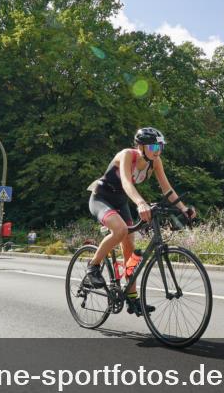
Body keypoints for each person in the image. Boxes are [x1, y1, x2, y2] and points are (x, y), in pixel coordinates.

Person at [82, 127, 196, 316]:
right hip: (101, 198)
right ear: (141, 146)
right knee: (120, 230)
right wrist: (141, 203)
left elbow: (166, 189)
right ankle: (93, 266)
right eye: (153, 146)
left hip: (120, 201)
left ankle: (132, 297)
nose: (157, 150)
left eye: (160, 146)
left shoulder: (155, 162)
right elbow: (127, 182)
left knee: (130, 247)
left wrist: (184, 209)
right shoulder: (127, 155)